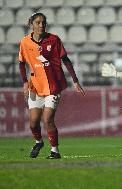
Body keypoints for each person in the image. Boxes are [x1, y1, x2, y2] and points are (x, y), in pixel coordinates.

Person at [18, 12, 85, 159]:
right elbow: (21, 63)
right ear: (31, 24)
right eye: (38, 23)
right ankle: (38, 141)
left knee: (47, 119)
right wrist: (24, 82)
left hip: (53, 86)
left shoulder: (53, 40)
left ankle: (55, 151)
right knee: (33, 123)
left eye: (43, 22)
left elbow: (66, 60)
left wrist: (75, 80)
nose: (41, 25)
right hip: (35, 86)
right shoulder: (25, 42)